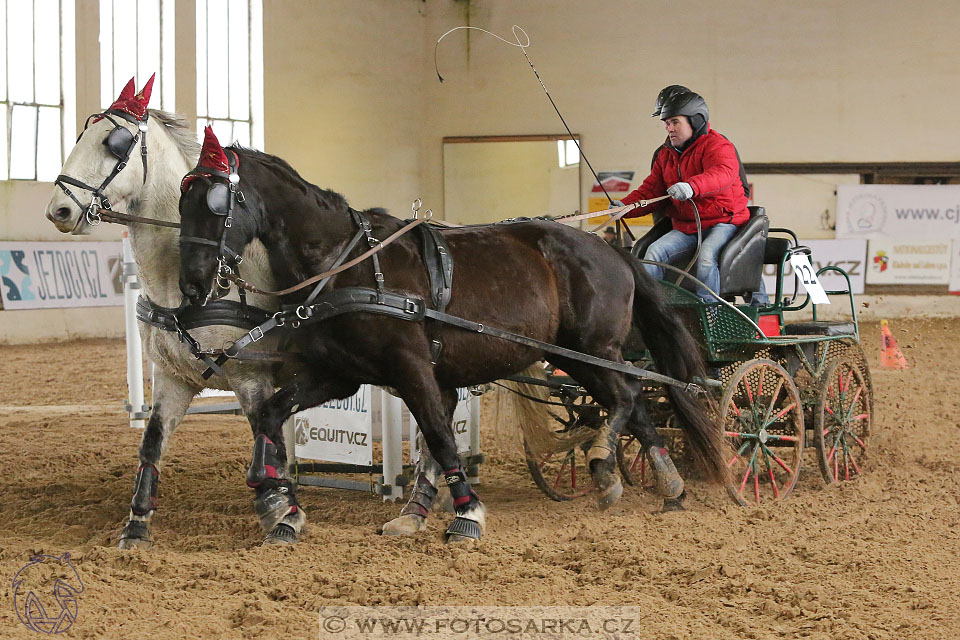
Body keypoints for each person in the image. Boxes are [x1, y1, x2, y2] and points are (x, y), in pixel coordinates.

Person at [613, 86, 766, 304]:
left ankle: (712, 312)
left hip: (723, 222)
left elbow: (723, 173)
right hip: (688, 226)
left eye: (675, 122)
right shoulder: (665, 154)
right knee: (654, 252)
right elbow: (650, 190)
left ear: (695, 121)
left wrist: (691, 187)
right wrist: (624, 207)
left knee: (706, 257)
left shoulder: (718, 145)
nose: (669, 128)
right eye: (666, 123)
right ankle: (655, 310)